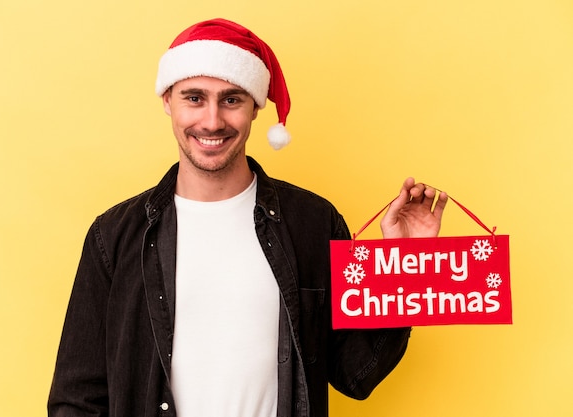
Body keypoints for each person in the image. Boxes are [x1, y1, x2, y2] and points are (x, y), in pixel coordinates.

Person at [48, 18, 447, 417]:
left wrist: (403, 265)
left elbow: (355, 373)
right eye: (194, 98)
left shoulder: (312, 224)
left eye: (232, 99)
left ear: (256, 106)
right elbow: (77, 397)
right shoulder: (115, 236)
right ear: (167, 100)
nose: (212, 121)